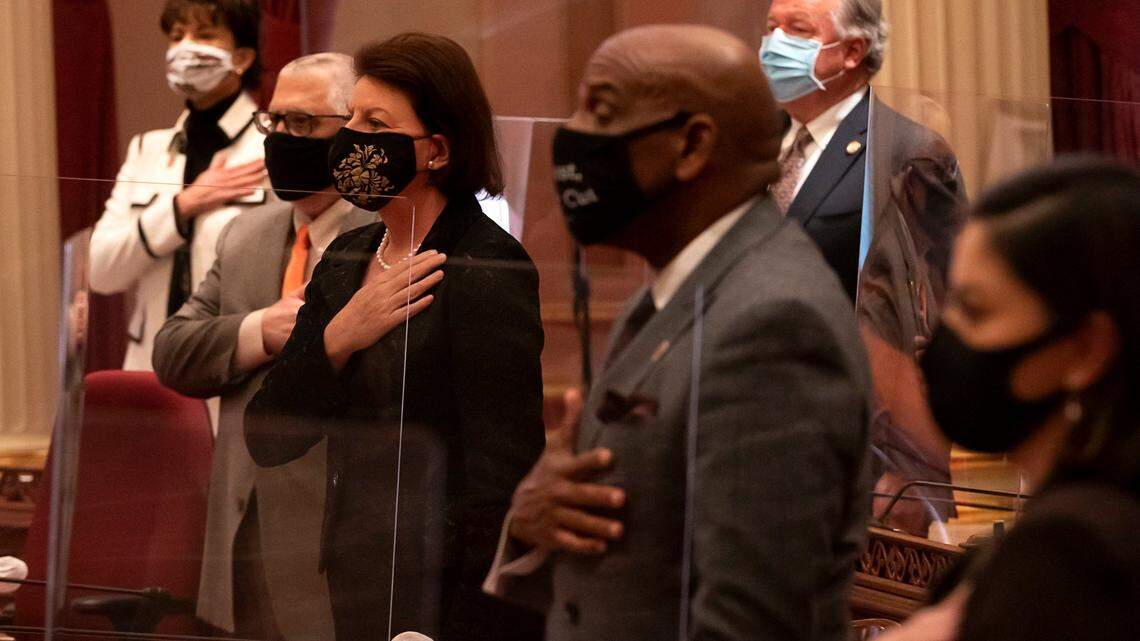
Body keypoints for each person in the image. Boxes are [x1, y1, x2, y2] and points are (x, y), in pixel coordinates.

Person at [484, 24, 871, 641]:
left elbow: (754, 623)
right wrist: (531, 515)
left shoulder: (773, 323)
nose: (574, 134)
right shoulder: (670, 292)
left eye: (601, 111)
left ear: (692, 146)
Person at [243, 33, 545, 641]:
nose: (352, 137)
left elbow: (503, 472)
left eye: (375, 122)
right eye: (351, 117)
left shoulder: (484, 265)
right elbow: (269, 434)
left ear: (435, 150)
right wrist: (339, 336)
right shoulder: (348, 256)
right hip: (355, 572)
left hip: (444, 588)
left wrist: (460, 624)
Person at [152, 53, 371, 640]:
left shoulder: (385, 240)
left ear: (353, 131)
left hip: (333, 555)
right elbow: (172, 349)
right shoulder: (245, 233)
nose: (281, 140)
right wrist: (257, 331)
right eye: (273, 123)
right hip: (237, 540)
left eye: (302, 126)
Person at [880, 159, 1140, 641]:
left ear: (1086, 347)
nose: (945, 339)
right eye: (950, 302)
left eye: (975, 310)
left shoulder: (1071, 560)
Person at [761, 0, 966, 534]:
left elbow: (933, 318)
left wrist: (913, 466)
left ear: (852, 51)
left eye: (797, 30)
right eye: (771, 28)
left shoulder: (908, 152)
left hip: (858, 456)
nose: (774, 43)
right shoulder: (754, 148)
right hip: (757, 438)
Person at [89, 0, 267, 372]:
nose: (187, 47)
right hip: (149, 362)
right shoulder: (147, 149)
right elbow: (101, 270)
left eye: (204, 35)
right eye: (176, 36)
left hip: (235, 362)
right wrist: (180, 208)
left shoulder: (270, 147)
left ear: (242, 57)